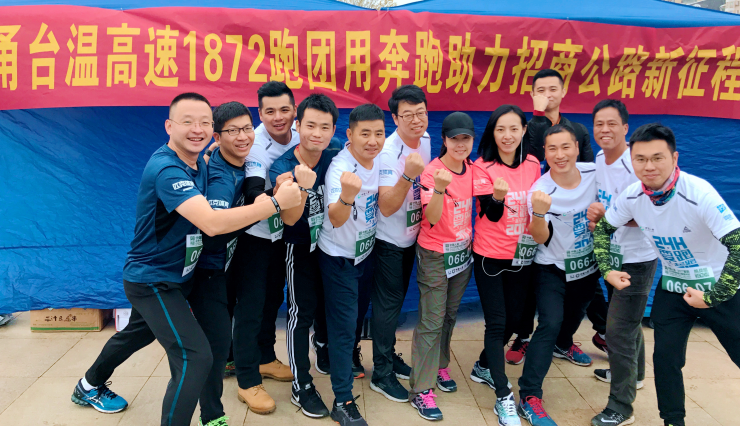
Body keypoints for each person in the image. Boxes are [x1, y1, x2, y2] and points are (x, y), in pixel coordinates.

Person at [71, 93, 301, 426]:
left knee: (158, 336)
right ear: (169, 126)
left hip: (188, 273)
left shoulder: (202, 162)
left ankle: (92, 385)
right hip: (153, 279)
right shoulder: (167, 169)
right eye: (188, 122)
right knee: (195, 357)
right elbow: (212, 225)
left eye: (204, 122)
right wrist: (275, 203)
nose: (197, 129)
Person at [593, 123, 740, 426]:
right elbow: (603, 230)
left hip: (717, 288)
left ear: (674, 158)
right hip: (673, 287)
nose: (649, 167)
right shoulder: (633, 195)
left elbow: (738, 244)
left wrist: (713, 296)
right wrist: (607, 270)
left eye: (657, 158)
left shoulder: (699, 193)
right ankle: (673, 421)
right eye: (640, 159)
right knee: (665, 360)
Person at [509, 68, 599, 365]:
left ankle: (565, 340)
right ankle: (523, 337)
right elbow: (524, 157)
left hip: (569, 222)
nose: (547, 95)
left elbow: (585, 172)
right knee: (528, 283)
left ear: (563, 92)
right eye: (540, 90)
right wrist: (537, 115)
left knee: (580, 289)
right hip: (530, 210)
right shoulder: (525, 127)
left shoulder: (577, 131)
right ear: (532, 94)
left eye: (552, 89)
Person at [517, 124, 600, 426]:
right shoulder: (540, 190)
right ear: (545, 153)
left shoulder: (595, 173)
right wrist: (539, 213)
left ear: (577, 148)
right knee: (550, 322)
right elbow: (540, 237)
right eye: (552, 148)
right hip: (551, 266)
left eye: (566, 147)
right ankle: (529, 396)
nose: (560, 154)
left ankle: (564, 344)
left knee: (575, 315)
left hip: (587, 267)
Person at [228, 81, 299, 414]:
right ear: (260, 113)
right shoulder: (255, 145)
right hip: (252, 237)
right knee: (250, 307)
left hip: (281, 235)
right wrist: (277, 190)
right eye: (270, 111)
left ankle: (266, 358)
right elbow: (255, 190)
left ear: (294, 110)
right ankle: (246, 380)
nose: (278, 117)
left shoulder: (300, 137)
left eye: (284, 109)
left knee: (273, 299)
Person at [269, 93, 341, 419]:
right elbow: (288, 218)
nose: (317, 133)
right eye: (310, 125)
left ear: (333, 130)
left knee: (329, 304)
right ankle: (301, 385)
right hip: (299, 248)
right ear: (297, 125)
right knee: (301, 314)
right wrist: (303, 187)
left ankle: (323, 349)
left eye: (324, 127)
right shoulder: (283, 167)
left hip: (330, 245)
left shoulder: (335, 153)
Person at [586, 101, 657, 426]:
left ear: (626, 128)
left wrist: (607, 219)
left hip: (637, 259)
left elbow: (652, 214)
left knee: (617, 332)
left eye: (612, 123)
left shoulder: (637, 164)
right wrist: (598, 220)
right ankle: (634, 375)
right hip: (612, 256)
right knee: (627, 324)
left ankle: (621, 407)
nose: (605, 130)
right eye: (599, 124)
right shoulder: (600, 159)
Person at [469, 105, 540, 426]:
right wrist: (497, 197)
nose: (507, 136)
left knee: (515, 320)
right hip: (490, 256)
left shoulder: (534, 164)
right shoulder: (482, 166)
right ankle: (503, 396)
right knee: (497, 324)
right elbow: (493, 214)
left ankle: (484, 365)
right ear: (492, 133)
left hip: (522, 256)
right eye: (500, 129)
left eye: (514, 129)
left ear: (524, 130)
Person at [187, 101, 257, 426]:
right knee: (214, 346)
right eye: (233, 131)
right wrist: (268, 205)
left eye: (247, 128)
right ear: (217, 136)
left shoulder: (235, 160)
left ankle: (92, 379)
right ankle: (213, 417)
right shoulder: (220, 178)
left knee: (138, 333)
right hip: (203, 271)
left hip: (215, 268)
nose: (243, 136)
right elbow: (213, 231)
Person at [317, 103, 386, 426]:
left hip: (365, 253)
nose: (372, 141)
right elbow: (335, 217)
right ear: (349, 135)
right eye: (365, 134)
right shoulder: (340, 168)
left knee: (355, 320)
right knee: (344, 329)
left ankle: (332, 353)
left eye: (378, 133)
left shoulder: (380, 158)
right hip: (338, 258)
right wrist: (347, 195)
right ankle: (342, 401)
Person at [408, 112, 475, 421]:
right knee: (432, 321)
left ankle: (439, 365)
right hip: (435, 254)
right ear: (444, 140)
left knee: (449, 315)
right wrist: (438, 189)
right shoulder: (432, 171)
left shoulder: (473, 169)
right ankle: (421, 390)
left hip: (462, 255)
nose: (460, 144)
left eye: (466, 138)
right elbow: (431, 219)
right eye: (454, 138)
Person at [370, 84, 430, 403]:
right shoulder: (388, 152)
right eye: (408, 115)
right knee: (387, 306)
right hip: (389, 242)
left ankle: (389, 356)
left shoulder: (427, 140)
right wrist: (408, 176)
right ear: (394, 118)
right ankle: (381, 374)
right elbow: (386, 206)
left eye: (421, 112)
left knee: (394, 305)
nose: (416, 120)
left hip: (412, 239)